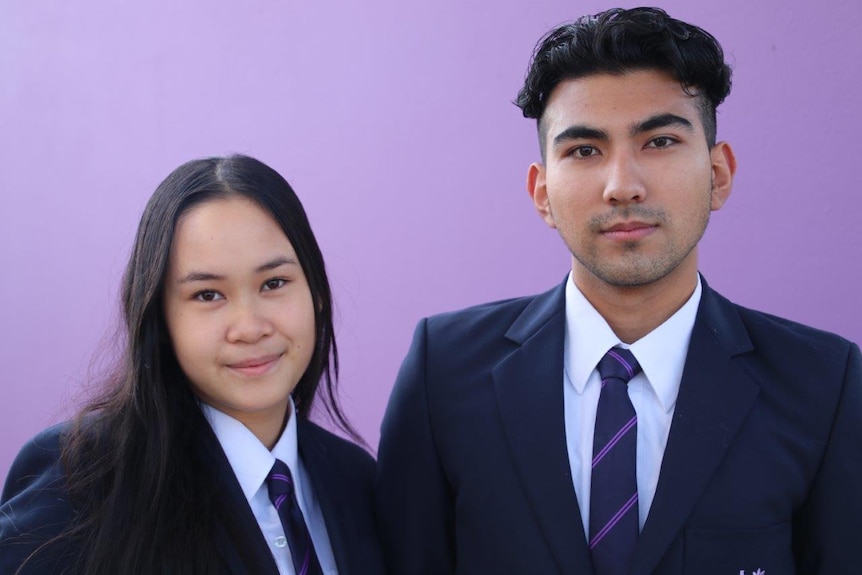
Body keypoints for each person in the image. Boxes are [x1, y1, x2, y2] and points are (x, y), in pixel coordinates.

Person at [376, 7, 862, 575]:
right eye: (584, 150)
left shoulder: (823, 384)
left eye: (658, 141)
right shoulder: (445, 371)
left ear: (718, 175)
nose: (622, 186)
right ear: (542, 193)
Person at [0, 155, 386, 574]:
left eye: (274, 283)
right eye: (207, 294)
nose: (250, 327)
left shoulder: (357, 483)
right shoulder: (82, 477)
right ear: (159, 318)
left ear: (317, 295)